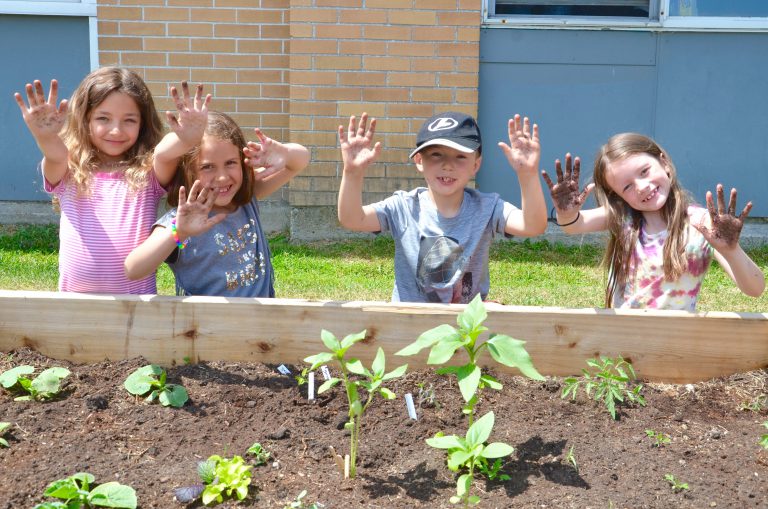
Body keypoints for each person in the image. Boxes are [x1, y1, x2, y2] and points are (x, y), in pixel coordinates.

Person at [14, 67, 208, 293]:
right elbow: (55, 156)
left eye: (129, 120)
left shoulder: (148, 172)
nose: (116, 131)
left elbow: (163, 154)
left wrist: (185, 139)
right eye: (103, 118)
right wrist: (46, 137)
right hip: (75, 306)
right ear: (85, 119)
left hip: (135, 305)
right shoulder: (69, 169)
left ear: (142, 125)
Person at [337, 111, 548, 303]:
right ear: (419, 160)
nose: (448, 165)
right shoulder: (403, 207)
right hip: (410, 321)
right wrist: (352, 173)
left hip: (466, 324)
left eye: (460, 156)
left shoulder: (487, 208)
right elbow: (352, 219)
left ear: (476, 165)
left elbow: (533, 226)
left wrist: (527, 174)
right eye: (437, 154)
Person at [542, 133, 765, 310]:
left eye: (644, 171)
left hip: (678, 344)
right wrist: (566, 212)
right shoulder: (621, 218)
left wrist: (731, 250)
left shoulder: (702, 223)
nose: (641, 186)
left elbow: (755, 289)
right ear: (618, 195)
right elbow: (574, 226)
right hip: (625, 346)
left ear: (664, 162)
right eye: (627, 186)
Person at [124, 111, 309, 297]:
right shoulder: (180, 221)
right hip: (205, 324)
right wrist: (179, 233)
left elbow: (301, 160)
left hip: (262, 323)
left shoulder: (246, 199)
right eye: (207, 167)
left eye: (230, 163)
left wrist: (284, 153)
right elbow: (133, 268)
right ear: (188, 171)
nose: (222, 177)